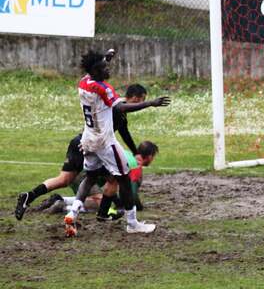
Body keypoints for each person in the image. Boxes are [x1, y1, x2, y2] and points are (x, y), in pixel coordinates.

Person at [14, 83, 167, 221]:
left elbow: (125, 133)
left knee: (64, 180)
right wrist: (150, 103)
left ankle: (29, 196)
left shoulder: (119, 112)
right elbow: (122, 109)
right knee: (112, 179)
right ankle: (100, 213)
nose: (140, 103)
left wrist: (135, 152)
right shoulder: (116, 106)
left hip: (80, 142)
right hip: (90, 146)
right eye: (141, 99)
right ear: (135, 98)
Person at [65, 49, 168, 236]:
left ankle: (73, 213)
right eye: (105, 67)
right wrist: (150, 103)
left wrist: (106, 57)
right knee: (125, 179)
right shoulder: (104, 88)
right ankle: (132, 223)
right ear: (96, 72)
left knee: (90, 177)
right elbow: (121, 107)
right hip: (104, 141)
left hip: (88, 138)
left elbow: (93, 69)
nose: (108, 69)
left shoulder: (84, 82)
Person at [41, 141, 159, 219]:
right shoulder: (135, 166)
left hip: (78, 172)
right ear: (150, 156)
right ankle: (62, 206)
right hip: (84, 176)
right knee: (99, 204)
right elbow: (131, 193)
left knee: (101, 199)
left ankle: (60, 199)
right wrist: (137, 207)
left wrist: (118, 202)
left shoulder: (126, 154)